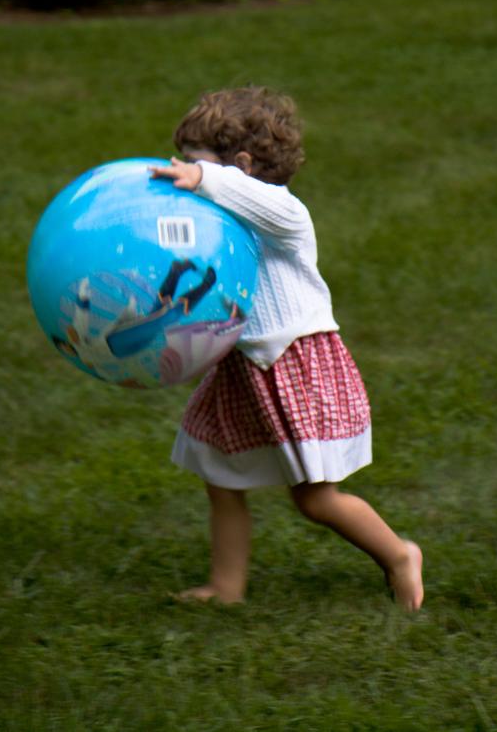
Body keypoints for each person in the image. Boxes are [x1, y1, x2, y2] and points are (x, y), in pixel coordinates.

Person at [149, 86, 424, 611]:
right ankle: (225, 588)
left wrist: (206, 179)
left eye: (194, 162)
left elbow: (263, 202)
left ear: (242, 167)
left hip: (295, 365)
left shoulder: (285, 216)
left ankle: (399, 555)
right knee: (219, 477)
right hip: (245, 369)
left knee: (315, 499)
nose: (186, 173)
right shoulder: (219, 222)